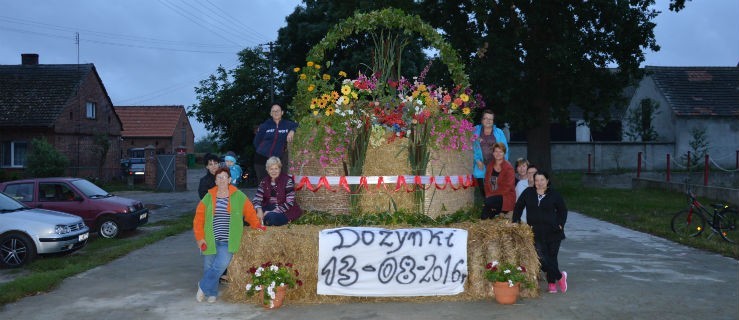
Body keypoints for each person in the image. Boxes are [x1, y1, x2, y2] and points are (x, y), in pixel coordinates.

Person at [193, 167, 266, 303]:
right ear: (215, 181)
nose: (221, 180)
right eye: (219, 177)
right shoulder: (208, 197)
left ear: (229, 180)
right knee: (209, 267)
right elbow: (198, 219)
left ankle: (202, 285)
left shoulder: (238, 196)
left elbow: (250, 212)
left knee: (220, 265)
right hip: (210, 239)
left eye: (224, 177)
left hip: (228, 241)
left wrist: (257, 225)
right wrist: (200, 238)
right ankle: (212, 293)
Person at [512, 171, 568, 294]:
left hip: (553, 232)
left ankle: (552, 284)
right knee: (542, 258)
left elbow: (563, 210)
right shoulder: (528, 193)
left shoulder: (554, 194)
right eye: (537, 180)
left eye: (542, 180)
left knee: (552, 258)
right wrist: (515, 221)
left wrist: (560, 224)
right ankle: (560, 277)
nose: (539, 183)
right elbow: (518, 206)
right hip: (535, 232)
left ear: (547, 181)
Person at [253, 104, 298, 182]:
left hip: (277, 160)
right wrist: (263, 151)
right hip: (261, 159)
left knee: (277, 184)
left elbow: (298, 125)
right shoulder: (265, 125)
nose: (276, 112)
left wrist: (292, 130)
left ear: (282, 112)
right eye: (273, 111)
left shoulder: (287, 124)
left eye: (278, 110)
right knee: (264, 184)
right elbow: (256, 142)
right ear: (270, 113)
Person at [253, 156, 303, 226]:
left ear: (280, 169)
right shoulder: (264, 181)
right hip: (269, 206)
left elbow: (289, 203)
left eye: (276, 168)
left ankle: (263, 220)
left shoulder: (288, 180)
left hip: (285, 210)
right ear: (267, 170)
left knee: (271, 218)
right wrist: (259, 210)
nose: (274, 171)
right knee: (251, 213)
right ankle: (260, 220)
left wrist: (271, 212)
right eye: (271, 169)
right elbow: (257, 198)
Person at [472, 109, 508, 200]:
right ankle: (487, 207)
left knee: (494, 190)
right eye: (486, 118)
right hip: (481, 166)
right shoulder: (474, 131)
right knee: (483, 192)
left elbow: (504, 149)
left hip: (495, 167)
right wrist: (477, 160)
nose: (488, 121)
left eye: (490, 119)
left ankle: (494, 211)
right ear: (482, 120)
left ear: (493, 121)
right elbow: (469, 148)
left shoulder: (499, 132)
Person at [482, 142, 515, 219]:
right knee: (483, 217)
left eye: (501, 152)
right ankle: (496, 211)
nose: (498, 153)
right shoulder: (490, 166)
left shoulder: (508, 168)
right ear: (493, 153)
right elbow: (486, 183)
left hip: (505, 197)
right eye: (496, 151)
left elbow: (507, 187)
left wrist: (491, 197)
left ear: (504, 153)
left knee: (487, 202)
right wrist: (489, 196)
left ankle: (500, 211)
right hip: (491, 197)